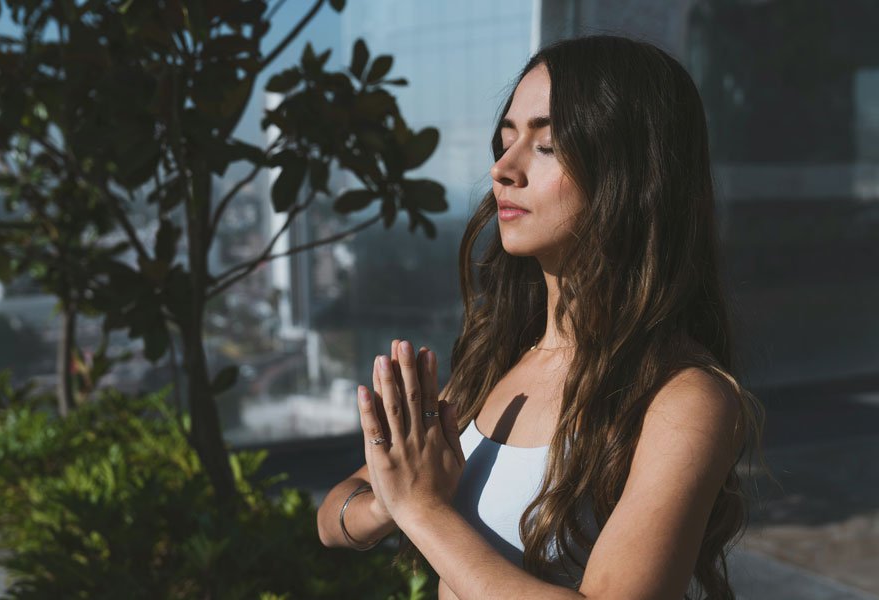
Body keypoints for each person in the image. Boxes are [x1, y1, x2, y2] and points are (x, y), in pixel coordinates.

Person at [316, 34, 771, 600]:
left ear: (633, 175)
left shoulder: (682, 399)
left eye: (548, 145)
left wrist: (422, 509)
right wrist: (391, 497)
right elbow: (335, 514)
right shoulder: (498, 361)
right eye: (505, 141)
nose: (503, 169)